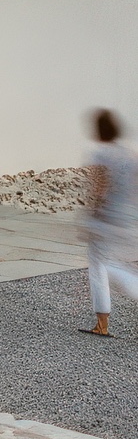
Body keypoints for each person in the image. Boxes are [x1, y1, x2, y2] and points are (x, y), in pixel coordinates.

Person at [83, 109, 138, 337]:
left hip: (105, 221)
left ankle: (102, 324)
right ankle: (101, 324)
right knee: (117, 264)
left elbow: (100, 189)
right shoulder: (130, 154)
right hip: (128, 219)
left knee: (101, 266)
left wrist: (90, 217)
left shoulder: (101, 155)